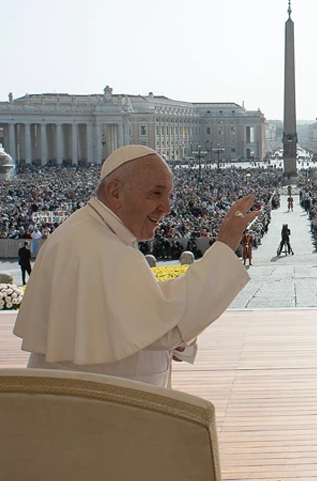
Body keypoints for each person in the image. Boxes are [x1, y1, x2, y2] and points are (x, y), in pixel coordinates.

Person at [13, 145, 261, 388]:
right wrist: (225, 245)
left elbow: (136, 306)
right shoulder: (96, 246)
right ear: (116, 193)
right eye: (155, 194)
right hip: (97, 411)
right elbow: (165, 329)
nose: (167, 207)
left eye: (168, 195)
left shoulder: (92, 232)